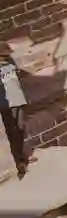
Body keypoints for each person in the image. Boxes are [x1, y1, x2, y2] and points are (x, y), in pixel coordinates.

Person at [0, 46, 26, 177]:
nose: (6, 57)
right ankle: (19, 160)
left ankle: (20, 153)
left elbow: (17, 75)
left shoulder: (10, 61)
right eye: (3, 55)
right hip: (5, 104)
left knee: (21, 127)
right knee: (12, 131)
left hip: (17, 98)